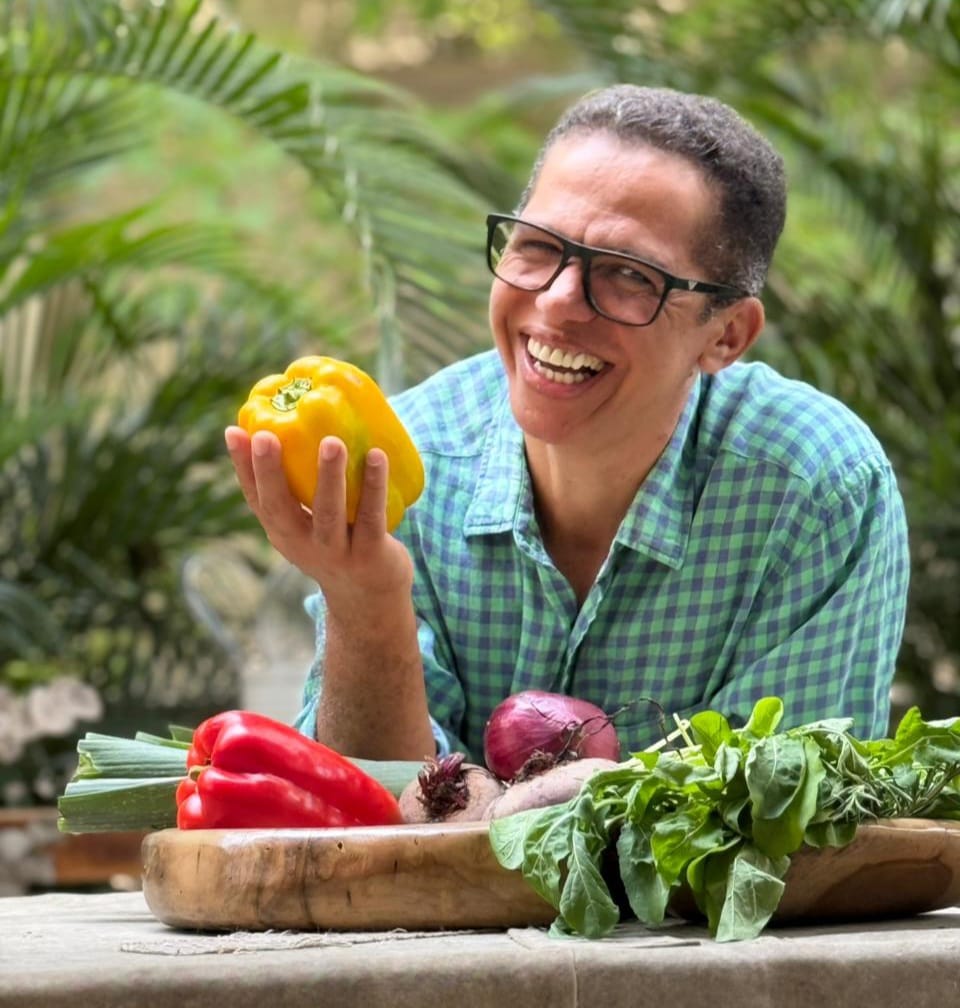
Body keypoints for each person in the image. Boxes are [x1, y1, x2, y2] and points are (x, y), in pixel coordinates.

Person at [225, 84, 910, 762]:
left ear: (726, 336)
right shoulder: (399, 463)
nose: (556, 303)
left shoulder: (819, 486)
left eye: (630, 275)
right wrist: (365, 601)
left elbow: (794, 818)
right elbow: (366, 816)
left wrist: (540, 815)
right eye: (536, 246)